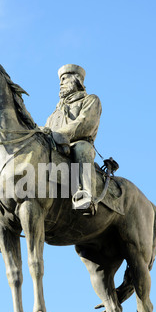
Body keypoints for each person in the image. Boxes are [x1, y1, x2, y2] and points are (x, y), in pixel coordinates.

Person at [45, 64, 102, 215]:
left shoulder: (91, 100)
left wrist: (59, 134)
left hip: (78, 144)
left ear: (76, 80)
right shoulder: (55, 112)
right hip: (55, 146)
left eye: (64, 79)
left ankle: (86, 196)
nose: (60, 83)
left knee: (82, 148)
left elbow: (84, 123)